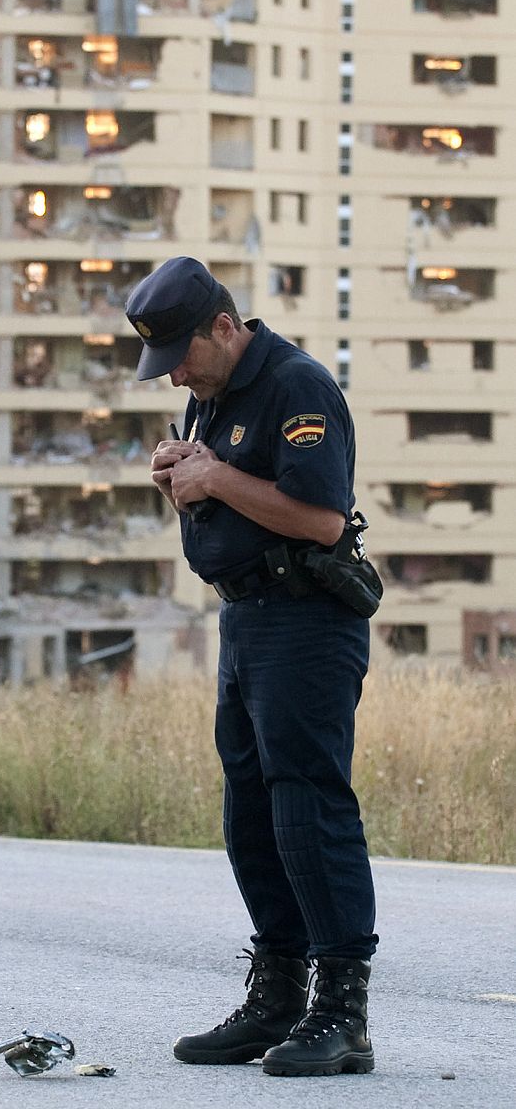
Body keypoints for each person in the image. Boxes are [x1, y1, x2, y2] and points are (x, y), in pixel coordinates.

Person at [125, 255, 378, 1078]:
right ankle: (276, 996)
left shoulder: (297, 388)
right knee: (249, 814)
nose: (175, 381)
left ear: (224, 327)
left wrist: (218, 478)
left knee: (309, 806)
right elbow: (228, 496)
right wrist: (186, 486)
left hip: (306, 620)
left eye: (181, 359)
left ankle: (341, 1014)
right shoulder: (212, 396)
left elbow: (319, 519)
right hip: (246, 619)